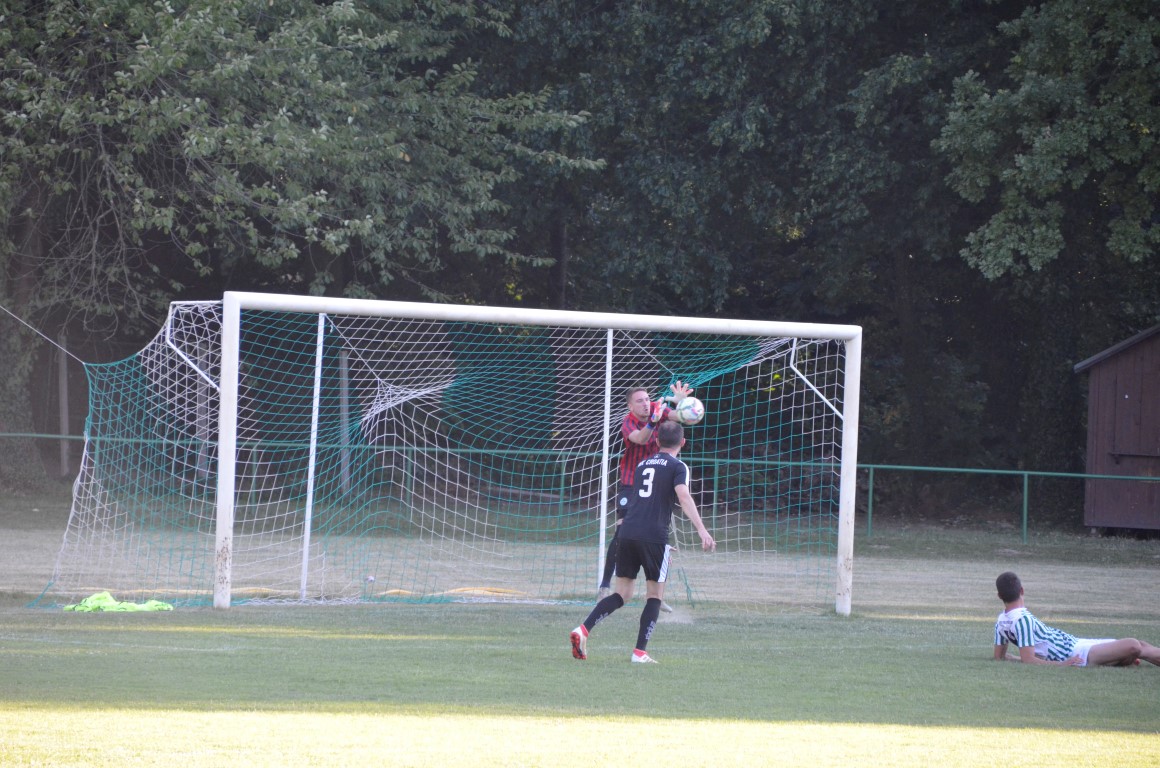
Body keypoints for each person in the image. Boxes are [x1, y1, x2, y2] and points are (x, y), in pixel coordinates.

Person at [571, 420, 716, 663]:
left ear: (656, 441)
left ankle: (583, 629)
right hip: (653, 535)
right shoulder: (678, 466)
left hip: (627, 532)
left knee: (622, 593)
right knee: (655, 595)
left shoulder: (642, 464)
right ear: (683, 442)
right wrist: (702, 530)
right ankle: (639, 652)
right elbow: (683, 496)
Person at [597, 381, 694, 613]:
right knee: (622, 532)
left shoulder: (656, 410)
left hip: (656, 486)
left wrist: (682, 405)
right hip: (631, 484)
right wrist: (653, 421)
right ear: (630, 406)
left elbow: (683, 418)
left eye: (647, 399)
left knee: (656, 535)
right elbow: (640, 438)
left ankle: (656, 594)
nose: (645, 404)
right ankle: (605, 585)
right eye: (639, 401)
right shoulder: (628, 422)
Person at [993, 571, 1160, 667]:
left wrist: (1015, 658)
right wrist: (1063, 664)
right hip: (1078, 653)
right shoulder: (1022, 620)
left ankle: (1119, 660)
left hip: (1077, 644)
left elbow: (1000, 657)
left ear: (999, 595)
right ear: (1022, 590)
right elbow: (1029, 660)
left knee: (1140, 645)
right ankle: (1120, 659)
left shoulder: (1001, 620)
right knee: (1133, 645)